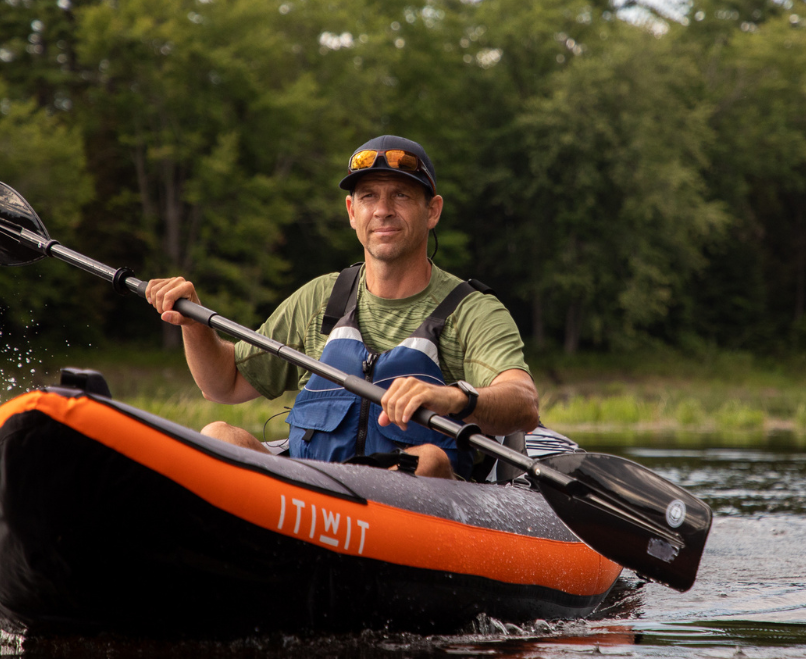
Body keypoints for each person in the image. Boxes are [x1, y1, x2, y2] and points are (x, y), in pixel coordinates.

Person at [145, 135, 538, 480]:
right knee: (218, 434)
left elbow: (524, 403)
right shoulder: (320, 297)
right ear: (352, 212)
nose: (383, 209)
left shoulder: (472, 310)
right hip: (312, 494)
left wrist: (456, 398)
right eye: (369, 196)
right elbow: (223, 384)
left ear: (432, 210)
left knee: (430, 459)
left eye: (400, 195)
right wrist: (193, 322)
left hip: (423, 503)